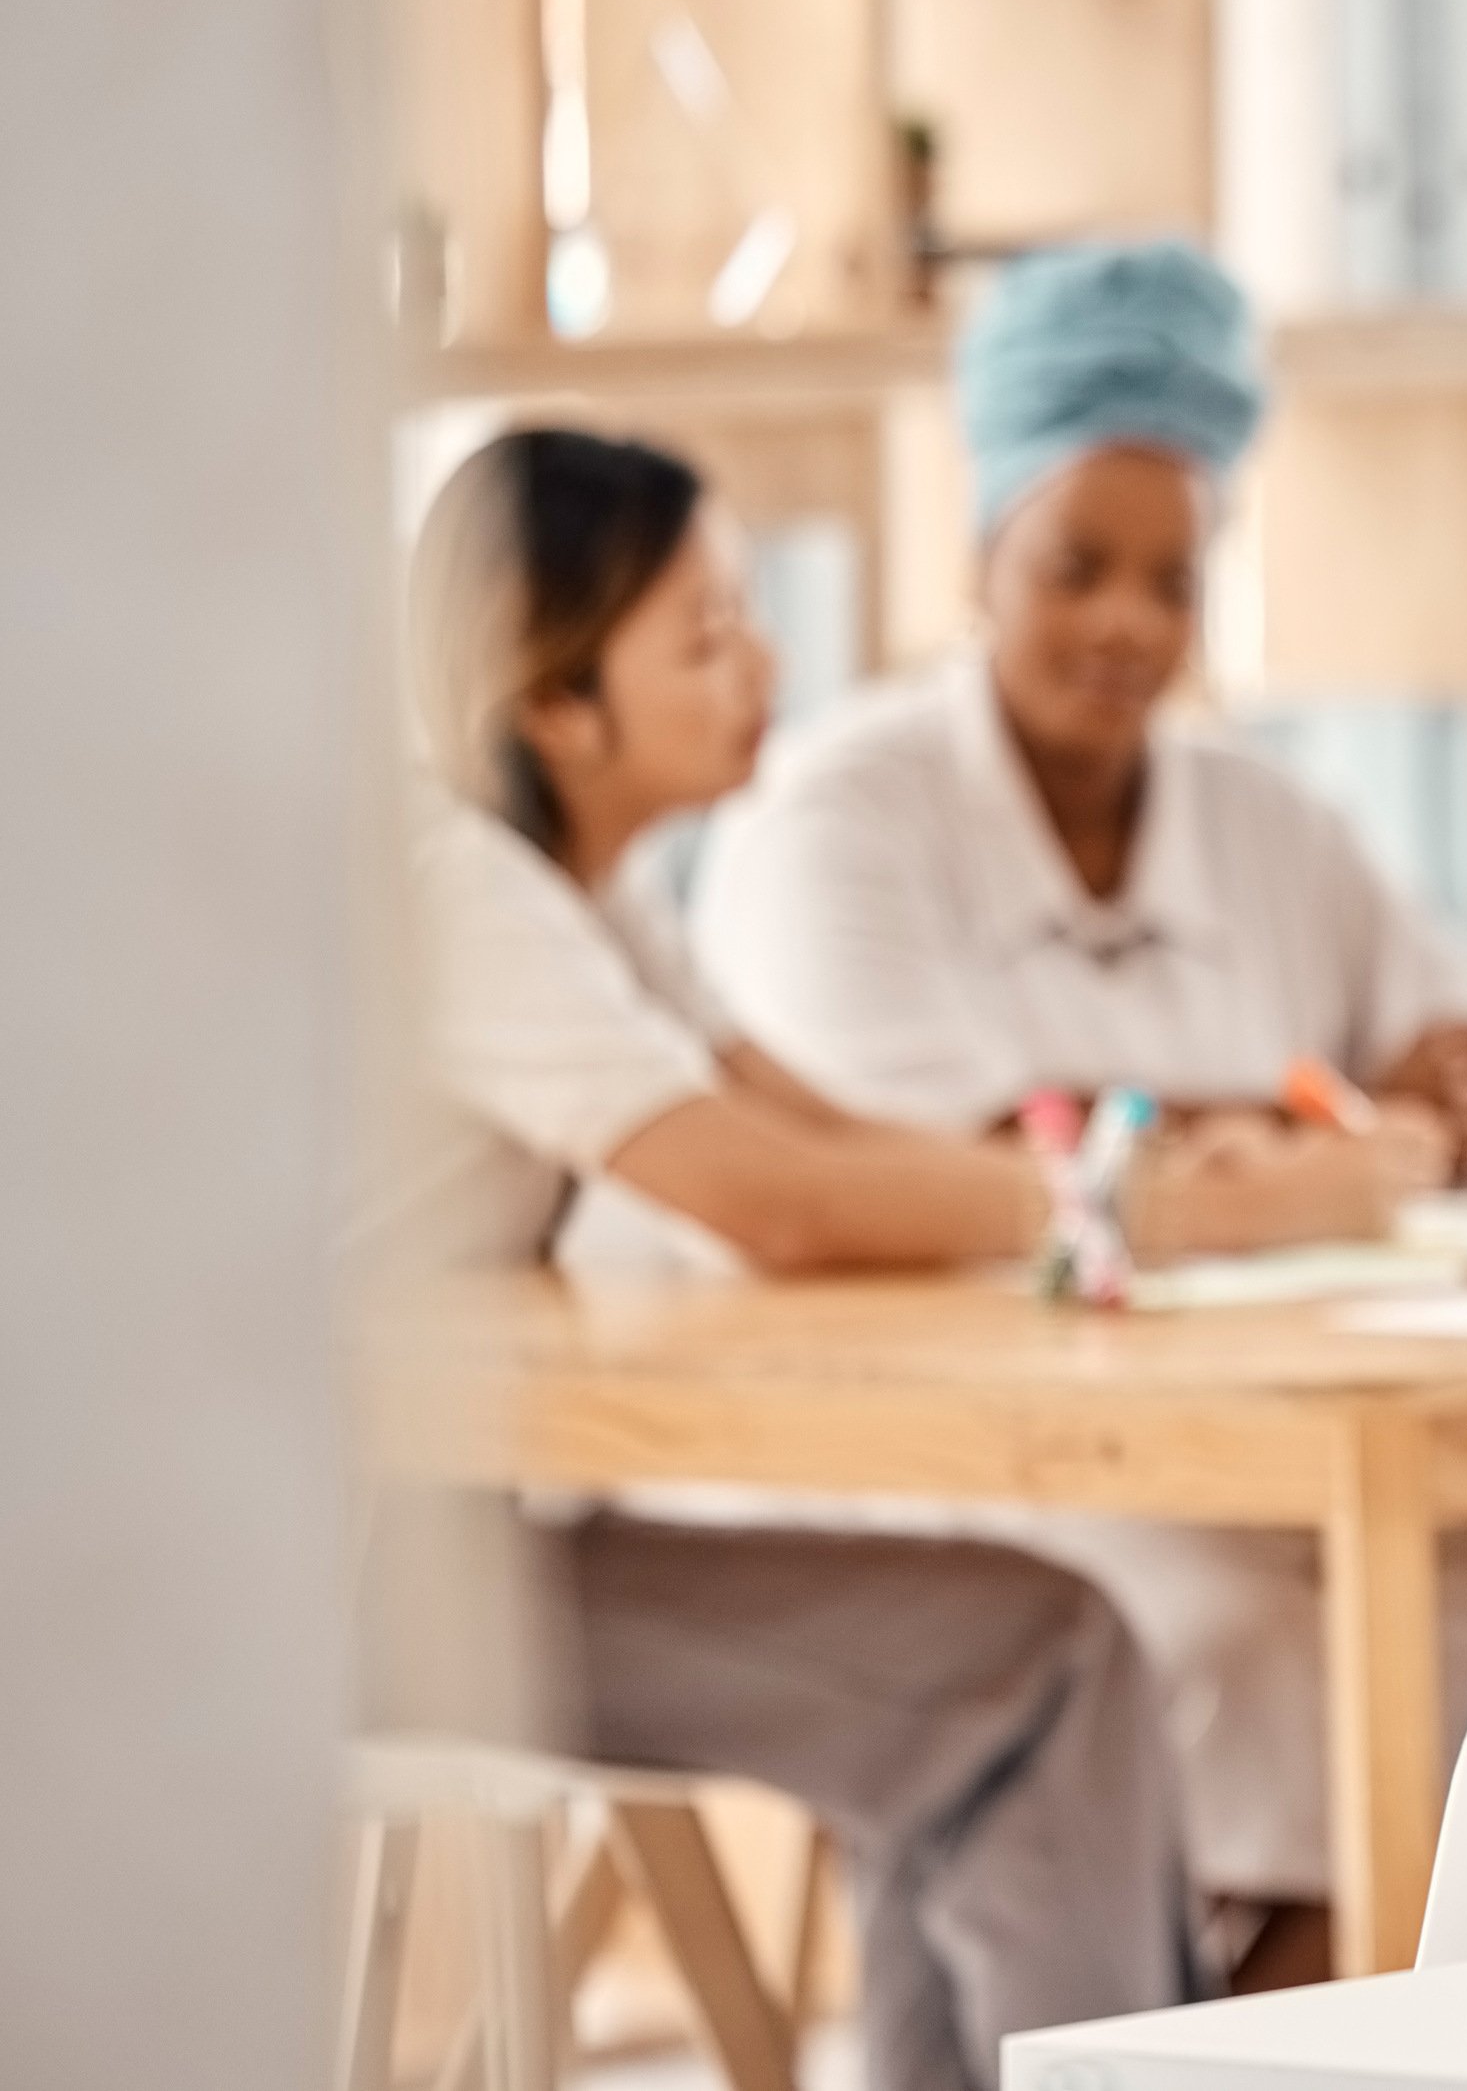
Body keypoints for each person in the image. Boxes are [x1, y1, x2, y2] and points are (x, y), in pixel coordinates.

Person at [691, 239, 1467, 1977]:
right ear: (981, 555)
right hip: (974, 1455)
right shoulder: (837, 815)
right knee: (1264, 1663)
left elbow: (1466, 1046)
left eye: (1170, 583)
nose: (1125, 624)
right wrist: (1299, 1119)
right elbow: (940, 1167)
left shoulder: (1270, 818)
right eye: (1075, 566)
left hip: (1292, 1441)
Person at [397, 424, 1208, 2091]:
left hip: (463, 1532)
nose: (764, 663)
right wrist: (1129, 1208)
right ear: (553, 702)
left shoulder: (589, 896)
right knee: (1037, 1666)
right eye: (705, 635)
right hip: (350, 1583)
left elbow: (819, 1137)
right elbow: (769, 1201)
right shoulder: (451, 891)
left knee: (1015, 1668)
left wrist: (1114, 1172)